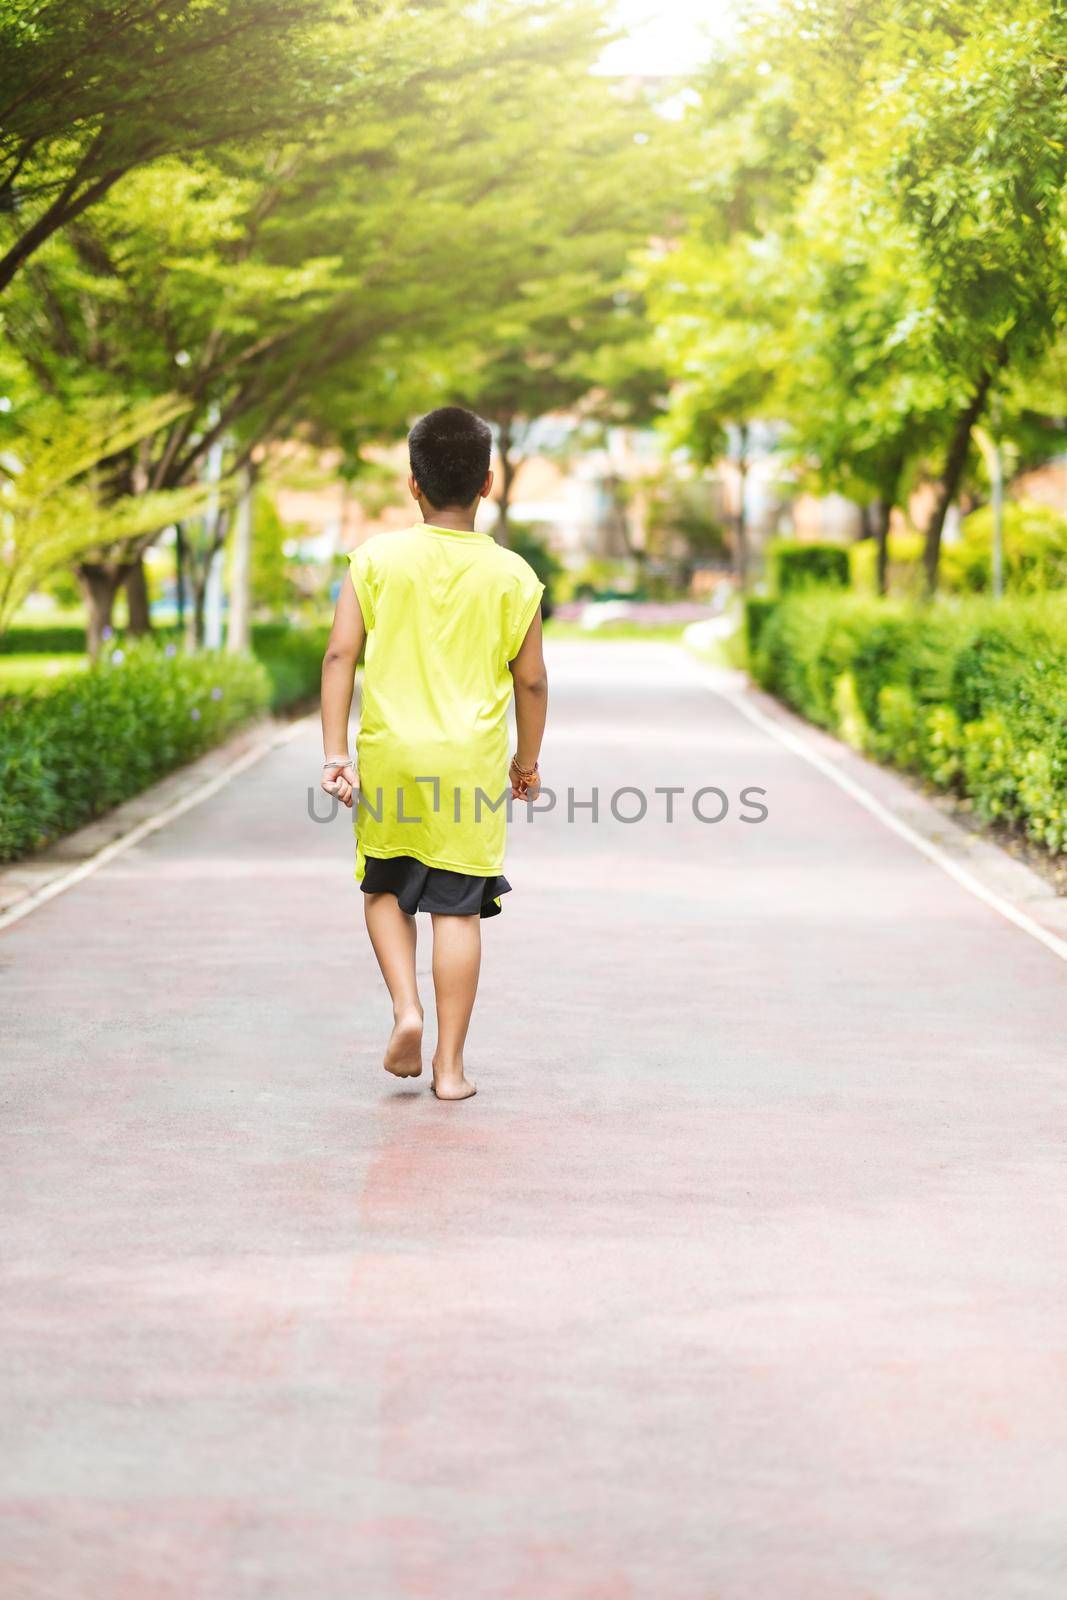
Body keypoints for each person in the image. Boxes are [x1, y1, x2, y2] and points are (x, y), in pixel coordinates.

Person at [320, 406, 549, 1101]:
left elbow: (339, 655)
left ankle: (405, 1010)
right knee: (456, 907)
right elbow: (531, 680)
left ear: (412, 484)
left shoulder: (375, 560)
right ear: (486, 484)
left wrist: (334, 752)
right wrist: (525, 764)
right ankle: (449, 1071)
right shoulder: (514, 576)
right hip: (469, 762)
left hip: (391, 755)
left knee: (384, 888)